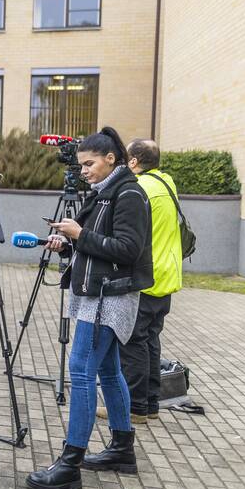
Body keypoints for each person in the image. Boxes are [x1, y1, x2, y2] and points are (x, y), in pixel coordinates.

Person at [26, 126, 153, 489]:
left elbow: (129, 249)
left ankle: (70, 464)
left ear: (110, 158)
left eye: (89, 163)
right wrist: (67, 246)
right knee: (109, 373)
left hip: (108, 299)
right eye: (81, 165)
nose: (83, 170)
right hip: (97, 294)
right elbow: (100, 246)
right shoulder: (104, 193)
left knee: (81, 371)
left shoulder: (128, 193)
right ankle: (122, 449)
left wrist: (79, 236)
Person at [108, 139, 183, 423]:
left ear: (134, 162)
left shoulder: (139, 189)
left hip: (146, 277)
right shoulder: (166, 184)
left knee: (133, 343)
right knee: (149, 340)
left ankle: (134, 407)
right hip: (166, 276)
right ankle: (150, 404)